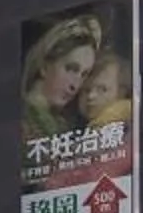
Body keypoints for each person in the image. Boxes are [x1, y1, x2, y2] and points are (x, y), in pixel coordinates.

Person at [19, 15, 105, 147]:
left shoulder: (62, 126)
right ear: (45, 66)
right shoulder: (20, 120)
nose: (75, 85)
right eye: (71, 69)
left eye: (84, 74)